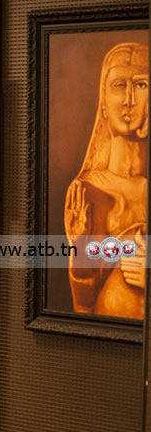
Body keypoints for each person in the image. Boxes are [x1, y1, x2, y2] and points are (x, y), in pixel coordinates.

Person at [64, 42, 148, 319]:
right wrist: (79, 248)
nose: (128, 100)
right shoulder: (86, 190)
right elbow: (83, 303)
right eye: (119, 85)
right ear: (103, 99)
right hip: (104, 327)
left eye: (141, 85)